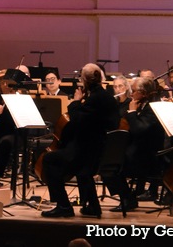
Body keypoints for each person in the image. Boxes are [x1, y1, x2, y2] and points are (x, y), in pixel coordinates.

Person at [41, 63, 119, 218]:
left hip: (87, 152)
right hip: (99, 149)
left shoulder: (95, 98)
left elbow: (78, 121)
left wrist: (76, 102)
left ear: (84, 80)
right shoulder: (106, 97)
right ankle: (93, 207)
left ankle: (63, 206)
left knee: (49, 159)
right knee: (77, 168)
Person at [104, 76, 164, 213]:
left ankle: (127, 198)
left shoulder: (152, 107)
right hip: (138, 150)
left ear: (143, 93)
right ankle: (127, 196)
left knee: (111, 164)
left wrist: (131, 112)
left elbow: (138, 130)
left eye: (134, 90)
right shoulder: (142, 103)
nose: (131, 93)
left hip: (149, 156)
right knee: (108, 161)